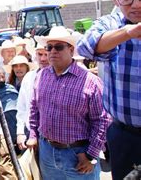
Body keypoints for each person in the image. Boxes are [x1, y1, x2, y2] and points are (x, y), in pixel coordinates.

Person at [77, 0, 141, 179]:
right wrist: (129, 32)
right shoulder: (113, 23)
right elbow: (86, 46)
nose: (136, 4)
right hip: (127, 136)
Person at [27, 26, 110, 179]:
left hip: (79, 153)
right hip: (47, 151)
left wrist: (91, 155)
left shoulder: (90, 81)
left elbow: (102, 121)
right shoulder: (42, 76)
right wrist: (33, 134)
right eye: (49, 47)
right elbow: (34, 108)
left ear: (71, 50)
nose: (52, 51)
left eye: (58, 47)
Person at [15, 42, 49, 151]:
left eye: (46, 54)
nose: (43, 58)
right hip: (30, 133)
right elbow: (22, 107)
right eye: (40, 54)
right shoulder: (29, 77)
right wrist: (20, 132)